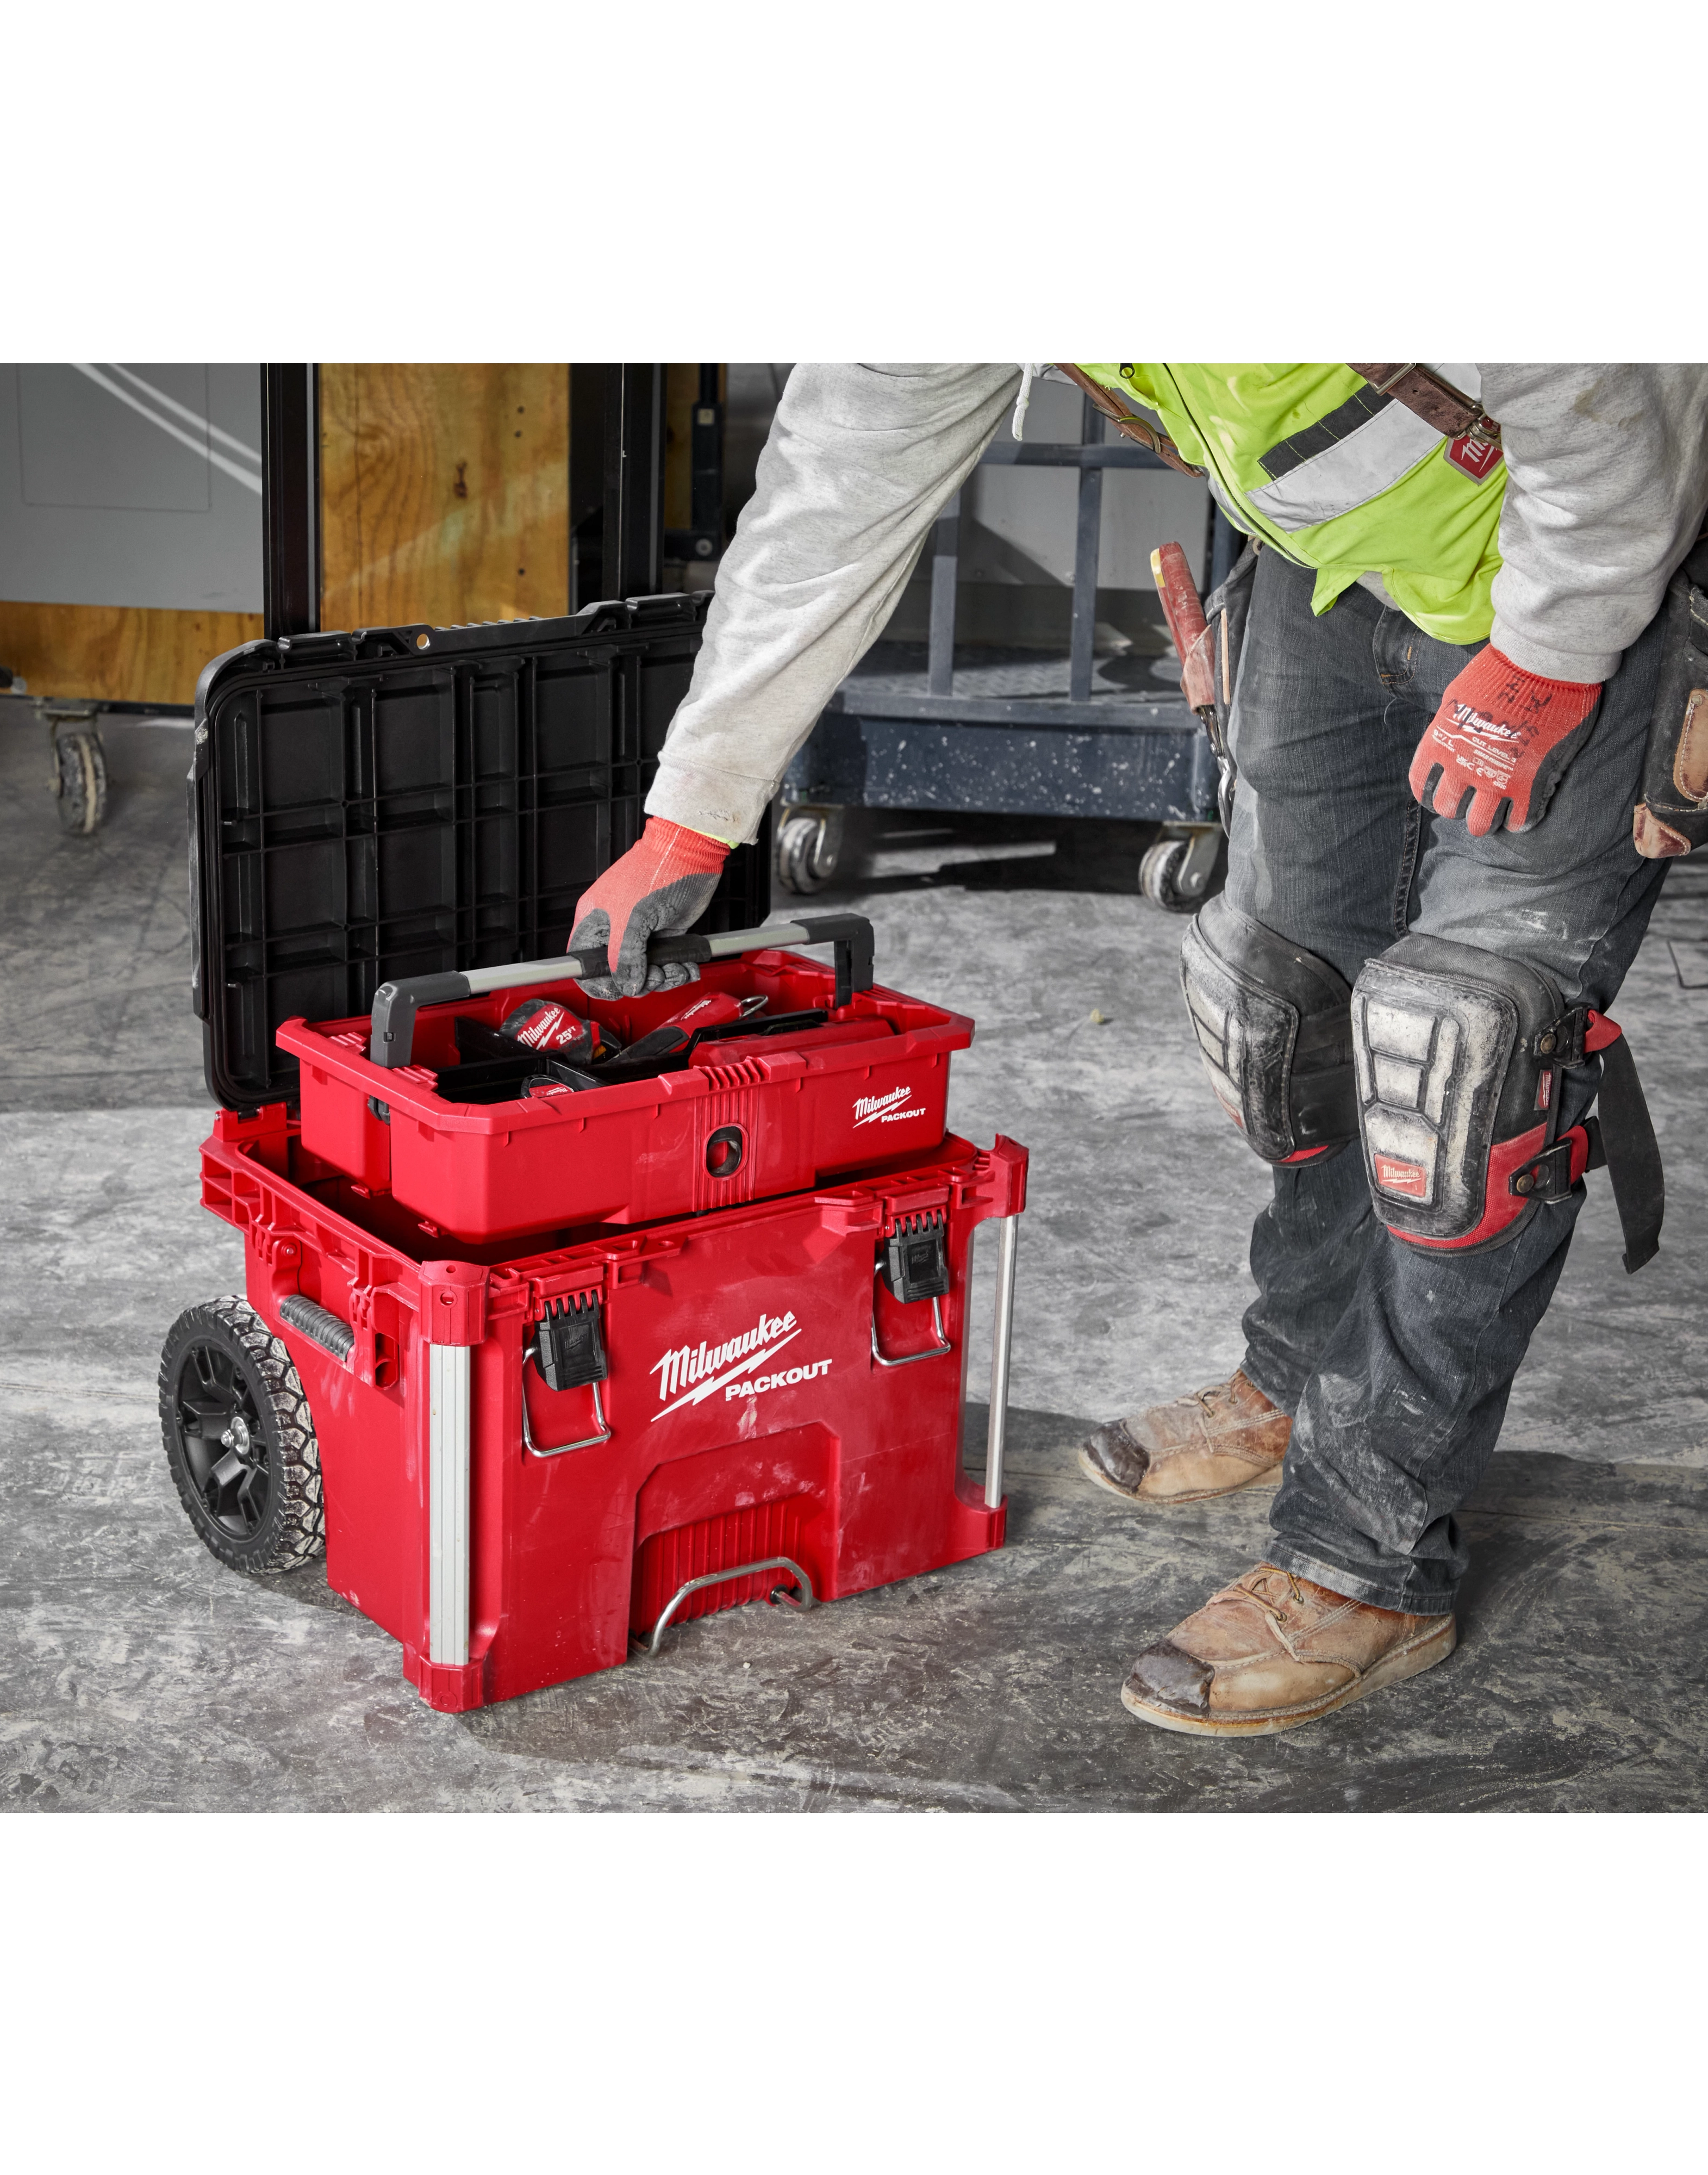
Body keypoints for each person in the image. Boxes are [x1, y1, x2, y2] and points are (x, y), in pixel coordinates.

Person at [569, 362, 1708, 1737]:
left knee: (1466, 1063)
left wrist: (1557, 638)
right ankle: (1300, 1372)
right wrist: (694, 809)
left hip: (1599, 538)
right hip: (1332, 568)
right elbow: (839, 478)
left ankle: (1368, 1555)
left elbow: (1609, 392)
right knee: (1282, 1004)